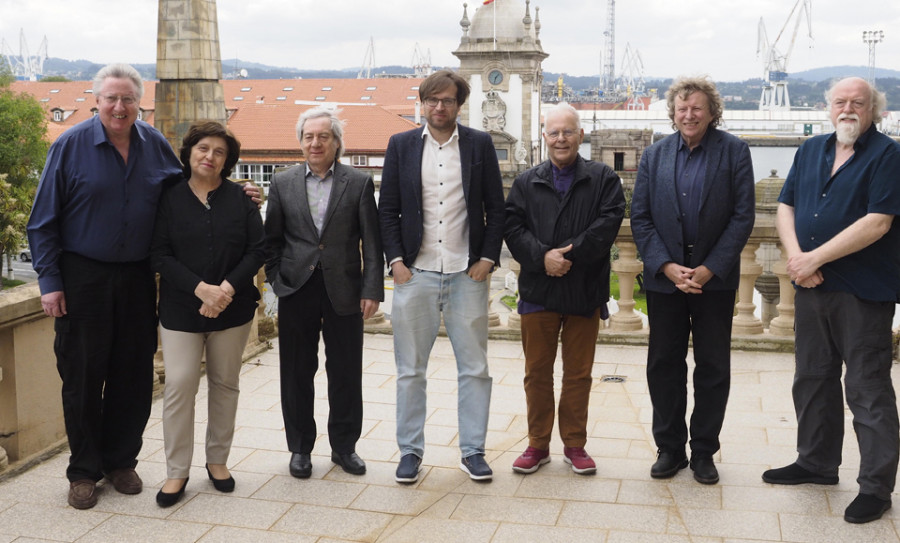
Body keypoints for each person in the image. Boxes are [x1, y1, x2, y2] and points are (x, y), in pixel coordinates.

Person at [26, 63, 259, 510]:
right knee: (83, 375)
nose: (119, 106)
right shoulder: (71, 146)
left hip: (136, 274)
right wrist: (50, 281)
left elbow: (191, 188)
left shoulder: (154, 144)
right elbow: (42, 220)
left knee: (133, 373)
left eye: (128, 99)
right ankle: (84, 470)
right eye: (111, 98)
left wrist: (237, 193)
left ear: (139, 102)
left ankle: (121, 461)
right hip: (83, 274)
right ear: (97, 100)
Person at [762, 77, 900, 524]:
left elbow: (877, 222)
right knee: (813, 378)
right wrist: (798, 259)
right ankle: (816, 463)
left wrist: (813, 258)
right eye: (840, 101)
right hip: (812, 287)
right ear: (827, 108)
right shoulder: (810, 150)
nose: (848, 109)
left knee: (866, 388)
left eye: (858, 102)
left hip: (862, 290)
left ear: (874, 110)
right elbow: (786, 208)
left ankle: (876, 489)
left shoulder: (889, 155)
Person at [378, 70, 504, 483]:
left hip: (467, 273)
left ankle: (473, 452)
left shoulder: (480, 145)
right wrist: (396, 261)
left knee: (474, 369)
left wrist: (487, 258)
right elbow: (389, 209)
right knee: (411, 369)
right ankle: (410, 452)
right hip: (416, 272)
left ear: (458, 104)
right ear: (422, 102)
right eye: (432, 100)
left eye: (447, 100)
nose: (439, 107)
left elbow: (496, 207)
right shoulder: (400, 145)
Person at [631, 76, 755, 485]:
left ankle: (704, 451)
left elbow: (742, 217)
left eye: (697, 108)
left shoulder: (735, 151)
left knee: (713, 367)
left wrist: (711, 266)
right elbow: (641, 218)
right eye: (682, 109)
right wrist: (665, 265)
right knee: (663, 365)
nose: (689, 115)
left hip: (713, 282)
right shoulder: (654, 155)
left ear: (712, 112)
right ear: (673, 113)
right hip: (665, 282)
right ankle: (669, 448)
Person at [504, 103, 625, 475]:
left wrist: (567, 256)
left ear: (580, 135)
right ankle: (537, 445)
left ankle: (575, 444)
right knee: (536, 373)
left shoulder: (603, 178)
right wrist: (544, 258)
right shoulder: (527, 181)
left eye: (568, 132)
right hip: (538, 291)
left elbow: (608, 224)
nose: (561, 139)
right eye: (554, 132)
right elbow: (512, 227)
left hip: (583, 290)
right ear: (545, 136)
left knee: (578, 374)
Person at [150, 121, 265, 507]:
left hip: (233, 309)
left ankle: (217, 461)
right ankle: (176, 471)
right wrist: (201, 289)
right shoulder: (168, 197)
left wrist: (225, 290)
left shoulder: (242, 199)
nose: (210, 157)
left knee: (225, 384)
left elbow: (257, 250)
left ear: (227, 160)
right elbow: (159, 253)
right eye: (203, 149)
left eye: (219, 152)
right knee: (180, 384)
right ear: (189, 153)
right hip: (181, 308)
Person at [265, 107, 383, 479]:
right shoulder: (282, 182)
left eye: (323, 137)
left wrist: (372, 289)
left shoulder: (358, 182)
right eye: (309, 137)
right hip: (296, 289)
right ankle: (300, 448)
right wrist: (276, 280)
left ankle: (344, 447)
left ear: (336, 143)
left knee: (345, 371)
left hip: (344, 289)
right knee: (296, 371)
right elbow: (271, 241)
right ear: (300, 142)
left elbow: (372, 242)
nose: (315, 143)